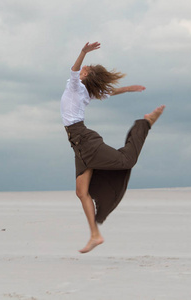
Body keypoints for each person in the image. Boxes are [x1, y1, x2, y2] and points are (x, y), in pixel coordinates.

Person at [60, 42, 165, 253]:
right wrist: (128, 88)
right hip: (78, 144)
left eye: (84, 69)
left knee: (126, 161)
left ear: (86, 75)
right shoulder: (84, 92)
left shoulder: (76, 86)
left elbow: (73, 71)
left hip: (85, 140)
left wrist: (83, 52)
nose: (80, 70)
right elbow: (108, 93)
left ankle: (144, 123)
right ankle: (95, 236)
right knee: (81, 192)